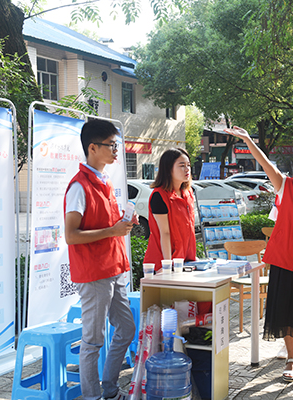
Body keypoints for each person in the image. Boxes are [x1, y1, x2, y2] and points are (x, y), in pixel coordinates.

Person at [225, 126, 293, 390]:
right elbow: (265, 162)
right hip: (284, 262)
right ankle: (291, 360)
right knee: (288, 314)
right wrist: (247, 140)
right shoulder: (286, 186)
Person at [64, 119, 137, 400]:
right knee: (92, 341)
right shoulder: (79, 186)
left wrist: (124, 223)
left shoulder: (104, 181)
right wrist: (112, 230)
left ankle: (110, 390)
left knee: (127, 329)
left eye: (116, 145)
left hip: (113, 268)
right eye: (111, 145)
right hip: (94, 273)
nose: (116, 150)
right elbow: (71, 235)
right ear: (92, 148)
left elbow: (107, 224)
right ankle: (93, 396)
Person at [144, 148, 196, 272]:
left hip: (186, 261)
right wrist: (167, 265)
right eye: (182, 165)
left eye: (188, 165)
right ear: (168, 169)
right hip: (164, 263)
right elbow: (165, 232)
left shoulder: (188, 193)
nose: (187, 169)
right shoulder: (159, 196)